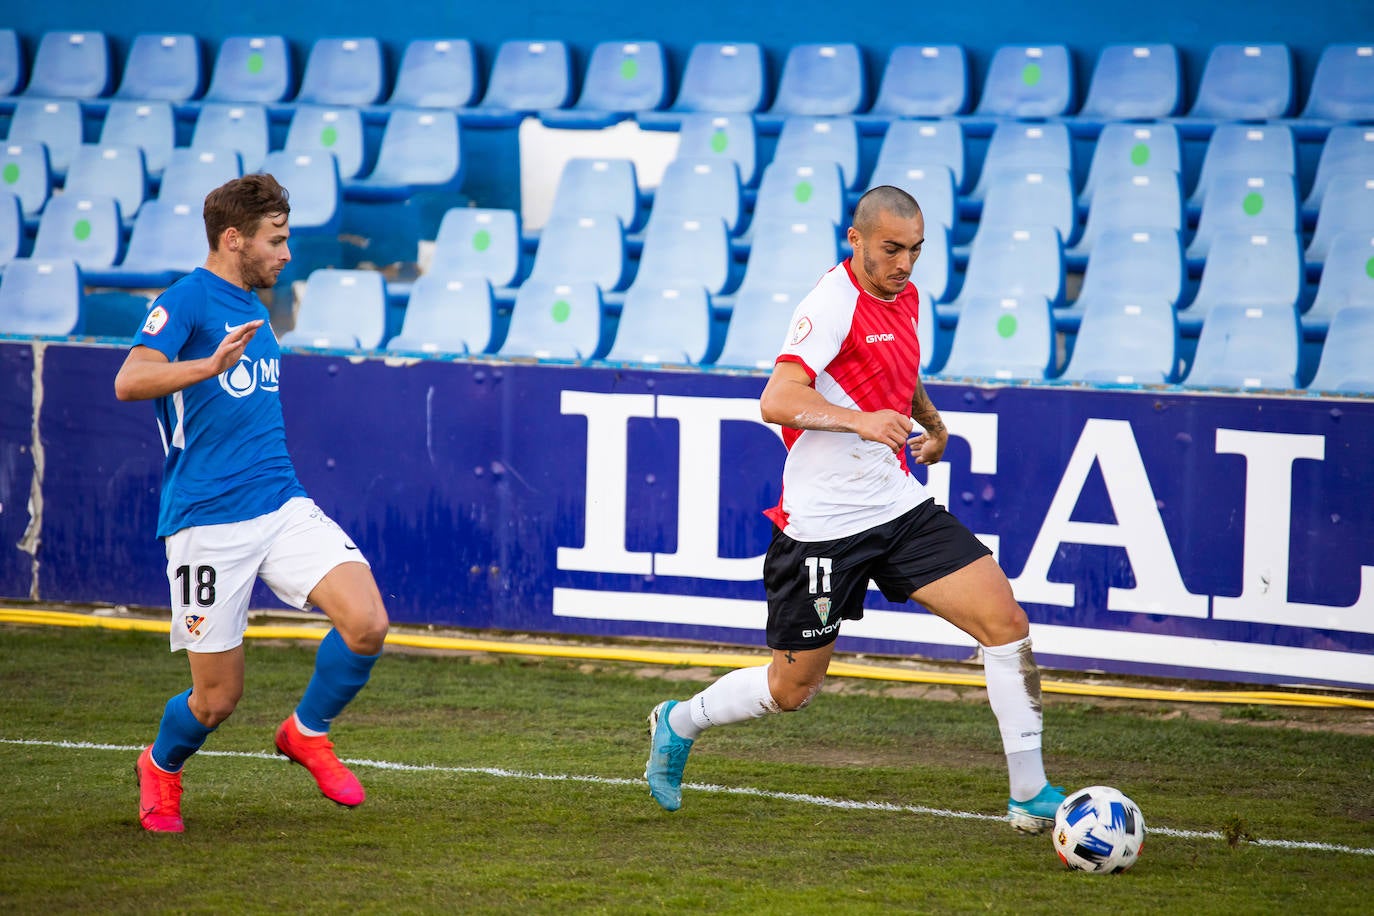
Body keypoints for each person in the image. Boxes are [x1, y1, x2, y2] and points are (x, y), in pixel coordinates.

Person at [645, 185, 1063, 833]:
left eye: (916, 251)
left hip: (896, 505)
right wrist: (859, 422)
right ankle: (678, 721)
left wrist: (932, 423)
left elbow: (900, 368)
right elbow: (776, 400)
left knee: (1004, 621)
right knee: (793, 691)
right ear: (856, 239)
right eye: (892, 249)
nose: (904, 264)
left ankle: (1028, 794)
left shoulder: (908, 296)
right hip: (821, 528)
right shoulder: (830, 305)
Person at [115, 174, 390, 833]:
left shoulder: (253, 305)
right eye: (277, 240)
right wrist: (205, 367)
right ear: (233, 239)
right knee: (216, 701)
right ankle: (160, 767)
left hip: (280, 501)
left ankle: (306, 732)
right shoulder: (184, 301)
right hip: (206, 520)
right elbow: (130, 380)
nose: (286, 254)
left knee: (367, 623)